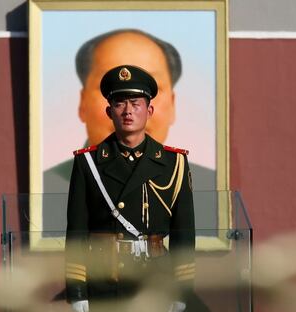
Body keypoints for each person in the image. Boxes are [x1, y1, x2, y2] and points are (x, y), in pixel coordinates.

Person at [65, 64, 195, 312]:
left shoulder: (173, 163)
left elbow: (184, 239)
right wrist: (77, 291)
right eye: (119, 103)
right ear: (108, 111)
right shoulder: (89, 163)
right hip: (105, 289)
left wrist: (181, 292)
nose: (127, 110)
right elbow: (76, 235)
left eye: (135, 103)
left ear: (149, 110)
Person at [43, 29, 215, 200]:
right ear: (82, 102)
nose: (128, 112)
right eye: (118, 101)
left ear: (172, 103)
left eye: (138, 101)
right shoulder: (56, 181)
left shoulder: (187, 174)